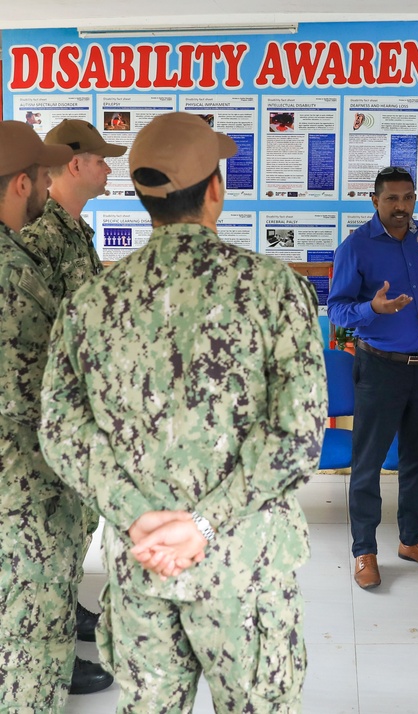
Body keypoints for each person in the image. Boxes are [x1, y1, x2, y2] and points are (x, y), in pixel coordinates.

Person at [39, 112, 325, 711]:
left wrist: (138, 518)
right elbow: (298, 436)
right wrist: (205, 524)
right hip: (244, 571)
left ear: (143, 197)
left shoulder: (91, 303)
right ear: (215, 191)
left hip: (142, 569)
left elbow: (61, 431)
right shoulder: (272, 288)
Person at [0, 120, 113, 709]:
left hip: (45, 454)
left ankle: (55, 636)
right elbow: (31, 371)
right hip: (29, 461)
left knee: (42, 583)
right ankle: (43, 667)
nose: (109, 168)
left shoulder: (60, 237)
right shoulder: (24, 253)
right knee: (29, 600)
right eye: (100, 160)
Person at [21, 118, 126, 654]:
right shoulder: (42, 236)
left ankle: (67, 611)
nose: (110, 167)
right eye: (102, 158)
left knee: (75, 523)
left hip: (78, 412)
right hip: (47, 419)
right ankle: (52, 641)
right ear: (75, 163)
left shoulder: (75, 230)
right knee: (54, 534)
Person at [328, 166, 418, 590]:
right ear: (375, 201)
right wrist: (372, 310)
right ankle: (364, 550)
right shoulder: (356, 246)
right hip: (380, 367)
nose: (401, 206)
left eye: (408, 197)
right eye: (392, 199)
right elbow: (338, 309)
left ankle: (412, 540)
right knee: (366, 465)